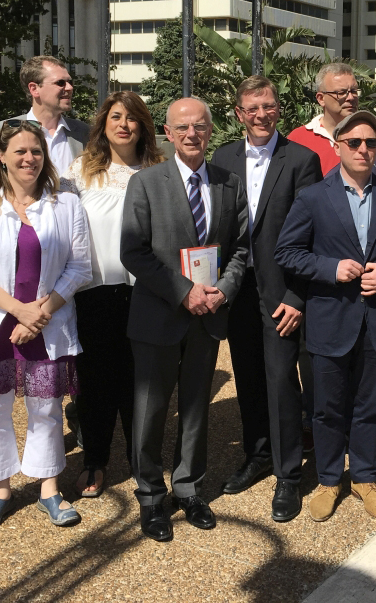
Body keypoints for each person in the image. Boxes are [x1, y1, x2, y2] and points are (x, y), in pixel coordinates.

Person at [276, 110, 376, 523]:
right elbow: (286, 252)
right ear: (338, 146)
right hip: (330, 320)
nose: (364, 149)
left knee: (369, 406)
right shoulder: (313, 197)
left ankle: (364, 477)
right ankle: (329, 479)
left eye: (371, 142)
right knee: (327, 408)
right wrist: (330, 268)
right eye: (354, 142)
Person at [0, 120, 92, 533]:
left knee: (46, 409)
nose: (30, 158)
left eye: (37, 151)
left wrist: (39, 315)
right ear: (1, 157)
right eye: (21, 151)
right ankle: (0, 491)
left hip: (48, 323)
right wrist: (19, 311)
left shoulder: (67, 205)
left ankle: (49, 488)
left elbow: (80, 268)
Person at [120, 97, 249, 542]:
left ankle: (189, 488)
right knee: (150, 409)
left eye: (200, 126)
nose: (192, 134)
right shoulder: (145, 183)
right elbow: (133, 251)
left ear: (211, 130)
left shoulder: (229, 183)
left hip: (207, 314)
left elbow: (240, 248)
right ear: (168, 133)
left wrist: (223, 290)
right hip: (159, 314)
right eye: (183, 127)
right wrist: (183, 291)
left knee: (196, 407)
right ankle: (151, 495)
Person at [210, 76, 322, 522]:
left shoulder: (302, 160)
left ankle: (289, 474)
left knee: (281, 380)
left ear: (279, 108)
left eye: (268, 106)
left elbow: (314, 234)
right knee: (248, 376)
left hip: (281, 291)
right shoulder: (223, 157)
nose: (261, 115)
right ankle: (257, 455)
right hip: (236, 288)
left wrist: (297, 295)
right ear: (239, 113)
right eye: (252, 108)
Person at [60, 91, 165, 498]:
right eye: (116, 117)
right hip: (93, 292)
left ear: (143, 126)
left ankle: (142, 462)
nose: (124, 124)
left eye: (132, 118)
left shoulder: (159, 169)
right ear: (103, 124)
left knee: (140, 382)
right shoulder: (81, 170)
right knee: (94, 382)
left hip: (146, 292)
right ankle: (95, 460)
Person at [0, 56, 89, 190]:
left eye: (70, 82)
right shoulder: (0, 131)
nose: (70, 87)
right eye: (60, 83)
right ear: (34, 89)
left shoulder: (84, 132)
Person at [286, 62, 376, 180]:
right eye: (341, 93)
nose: (351, 98)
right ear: (321, 99)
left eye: (354, 91)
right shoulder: (298, 140)